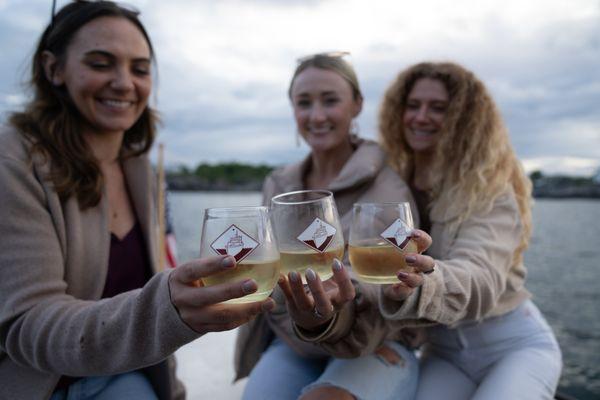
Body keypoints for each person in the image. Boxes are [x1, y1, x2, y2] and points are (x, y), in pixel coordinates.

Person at [0, 2, 274, 399]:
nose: (124, 83)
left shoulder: (142, 171)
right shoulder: (14, 164)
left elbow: (157, 295)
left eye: (140, 69)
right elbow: (27, 324)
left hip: (127, 378)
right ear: (52, 68)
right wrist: (167, 309)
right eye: (100, 63)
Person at [303, 61, 563, 399]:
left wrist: (423, 283)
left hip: (512, 345)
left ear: (464, 119)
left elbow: (481, 275)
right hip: (443, 351)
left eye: (438, 108)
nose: (420, 117)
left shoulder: (490, 187)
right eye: (413, 105)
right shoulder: (393, 181)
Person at [235, 53, 433, 400]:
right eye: (304, 103)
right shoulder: (278, 185)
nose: (317, 115)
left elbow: (383, 284)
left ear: (356, 105)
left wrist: (332, 318)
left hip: (372, 342)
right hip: (293, 342)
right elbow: (267, 277)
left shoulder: (388, 189)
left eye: (330, 101)